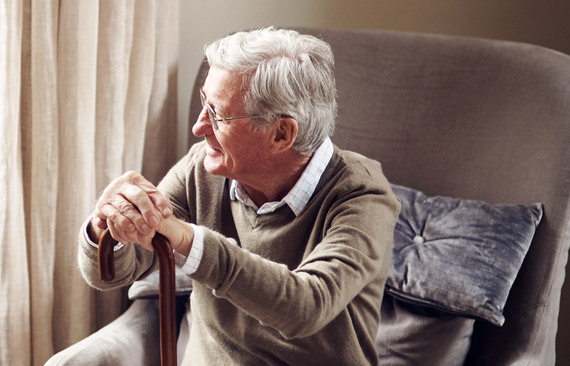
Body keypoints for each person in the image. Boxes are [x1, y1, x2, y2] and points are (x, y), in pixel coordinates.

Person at [77, 27, 401, 365]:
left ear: (281, 133)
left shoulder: (363, 196)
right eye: (204, 102)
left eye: (217, 114)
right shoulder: (201, 169)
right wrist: (109, 225)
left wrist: (188, 241)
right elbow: (110, 273)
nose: (199, 127)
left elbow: (307, 306)